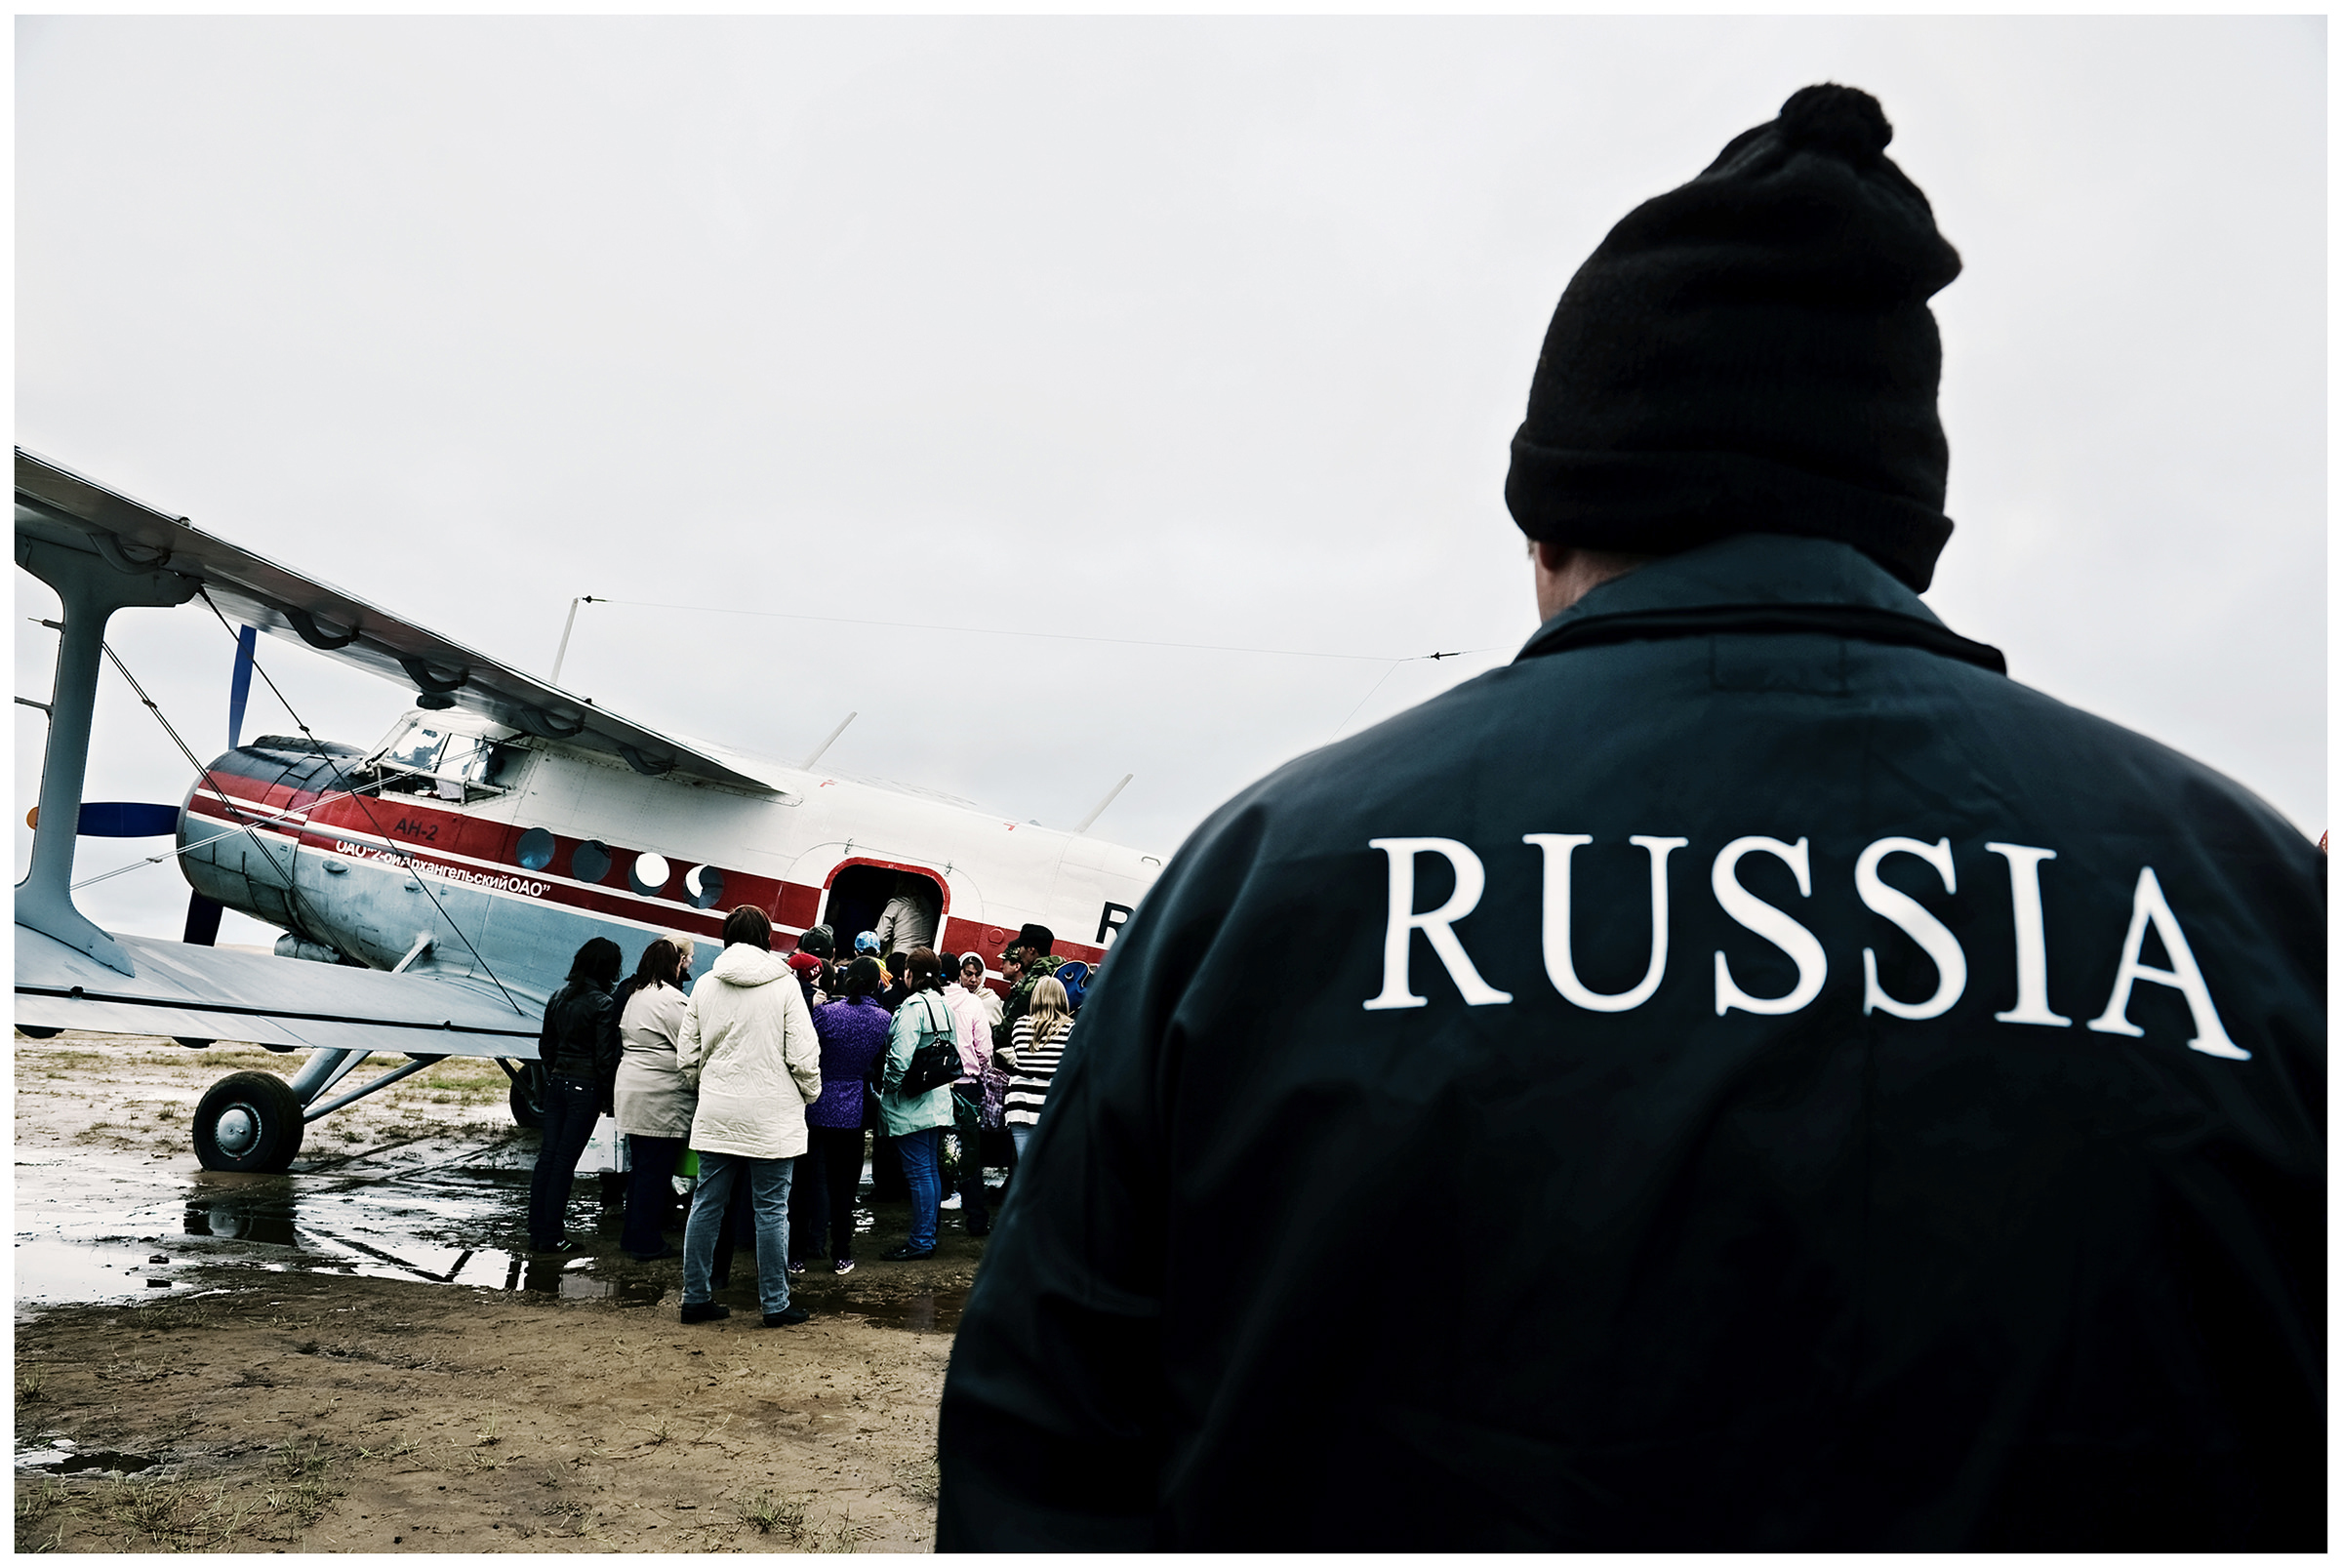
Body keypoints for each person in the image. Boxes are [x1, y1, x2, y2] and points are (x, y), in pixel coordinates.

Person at [937, 86, 2323, 1550]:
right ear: (1903, 527)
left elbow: (1048, 1439)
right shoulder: (2256, 905)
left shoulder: (1268, 878)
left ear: (1549, 518)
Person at [675, 905, 824, 1328]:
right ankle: (774, 1303)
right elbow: (802, 1053)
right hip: (773, 1116)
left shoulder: (705, 985)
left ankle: (695, 1296)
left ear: (726, 937)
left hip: (718, 1111)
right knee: (772, 1210)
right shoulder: (785, 985)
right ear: (766, 938)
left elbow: (687, 1057)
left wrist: (704, 1087)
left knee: (706, 1205)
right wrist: (810, 1093)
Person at [794, 954, 892, 1275]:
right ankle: (841, 1252)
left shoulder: (824, 1014)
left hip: (816, 1104)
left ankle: (796, 1254)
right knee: (844, 1187)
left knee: (804, 1183)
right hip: (852, 1108)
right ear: (877, 984)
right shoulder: (883, 1019)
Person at [526, 937, 622, 1253]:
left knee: (548, 1158)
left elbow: (546, 1047)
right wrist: (609, 1097)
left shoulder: (558, 997)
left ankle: (538, 1230)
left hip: (558, 1082)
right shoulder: (604, 1004)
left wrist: (557, 1071)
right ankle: (553, 1234)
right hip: (587, 1086)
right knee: (565, 1162)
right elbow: (605, 1057)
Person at [611, 935, 696, 1261]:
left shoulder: (637, 995)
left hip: (634, 1091)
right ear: (674, 964)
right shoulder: (671, 1001)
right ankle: (647, 1241)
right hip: (660, 1096)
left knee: (641, 1171)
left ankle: (633, 1235)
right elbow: (690, 1048)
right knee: (655, 1173)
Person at [872, 945, 956, 1262]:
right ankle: (928, 1234)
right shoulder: (944, 1005)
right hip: (937, 1099)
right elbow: (954, 1051)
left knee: (920, 1172)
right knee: (930, 1170)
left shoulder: (912, 1008)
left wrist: (889, 1089)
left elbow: (899, 1058)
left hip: (912, 1104)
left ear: (910, 973)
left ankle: (921, 1240)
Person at [940, 951, 1000, 1236]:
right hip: (966, 1086)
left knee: (932, 1149)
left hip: (934, 1086)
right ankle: (976, 1219)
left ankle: (929, 1221)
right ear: (959, 974)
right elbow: (985, 1049)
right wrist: (982, 1069)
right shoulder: (974, 1003)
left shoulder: (929, 1000)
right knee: (968, 1153)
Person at [995, 974, 1071, 1162]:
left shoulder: (1020, 1026)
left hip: (1019, 1105)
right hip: (1050, 1105)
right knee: (1049, 1167)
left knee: (1026, 1165)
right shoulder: (1070, 1030)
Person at [989, 923, 1063, 1056]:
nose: (1020, 953)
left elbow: (1008, 1030)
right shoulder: (1059, 974)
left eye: (1021, 947)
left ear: (1031, 950)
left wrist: (990, 1033)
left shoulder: (1032, 982)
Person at [874, 873, 940, 955]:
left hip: (900, 956)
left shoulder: (896, 904)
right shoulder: (928, 906)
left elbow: (881, 936)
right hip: (922, 958)